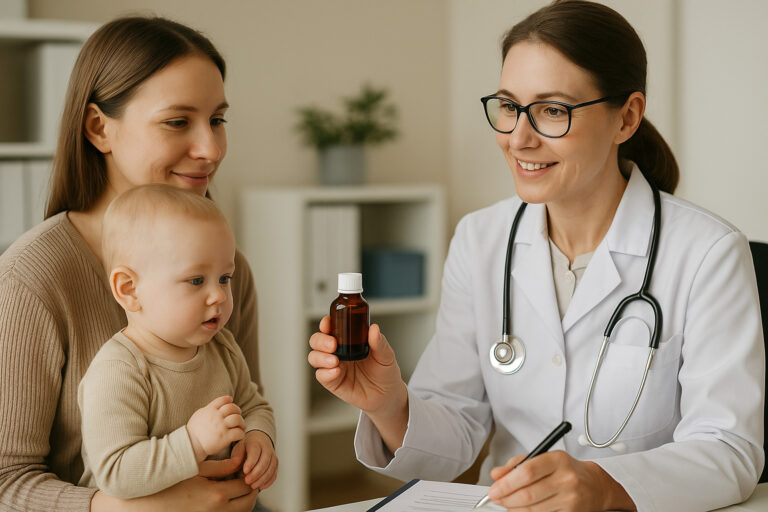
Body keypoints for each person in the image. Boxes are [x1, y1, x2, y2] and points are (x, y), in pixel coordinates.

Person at [308, 1, 764, 510]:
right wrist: (390, 404)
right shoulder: (480, 239)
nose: (518, 138)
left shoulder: (708, 253)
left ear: (627, 117)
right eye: (508, 105)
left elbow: (729, 450)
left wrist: (605, 486)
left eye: (552, 110)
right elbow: (455, 429)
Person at [0, 17, 268, 512]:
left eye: (217, 120)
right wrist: (128, 508)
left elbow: (245, 404)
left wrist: (253, 452)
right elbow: (6, 482)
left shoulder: (230, 274)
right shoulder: (31, 279)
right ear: (99, 128)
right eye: (177, 121)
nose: (210, 149)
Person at [78, 184, 277, 499]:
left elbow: (253, 404)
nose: (218, 295)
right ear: (129, 289)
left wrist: (258, 436)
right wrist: (193, 443)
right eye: (196, 280)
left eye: (225, 278)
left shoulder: (222, 346)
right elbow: (115, 473)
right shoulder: (118, 370)